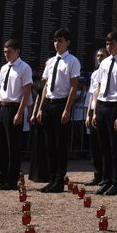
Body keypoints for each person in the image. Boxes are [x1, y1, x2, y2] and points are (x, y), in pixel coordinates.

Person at [33, 28, 83, 193]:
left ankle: (59, 179)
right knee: (49, 143)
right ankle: (51, 177)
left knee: (60, 143)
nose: (57, 44)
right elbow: (45, 85)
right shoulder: (51, 62)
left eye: (60, 40)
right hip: (49, 102)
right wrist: (40, 108)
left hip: (61, 103)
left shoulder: (72, 61)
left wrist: (67, 109)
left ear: (67, 42)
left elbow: (73, 86)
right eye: (55, 40)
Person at [86, 32, 117, 195]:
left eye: (111, 43)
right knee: (103, 146)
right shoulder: (104, 63)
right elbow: (98, 87)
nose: (108, 46)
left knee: (115, 147)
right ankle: (106, 179)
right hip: (103, 105)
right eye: (107, 43)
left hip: (115, 105)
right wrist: (96, 110)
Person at [0, 39, 32, 190]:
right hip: (2, 107)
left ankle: (11, 180)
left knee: (13, 146)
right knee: (1, 146)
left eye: (9, 51)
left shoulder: (24, 68)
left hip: (14, 108)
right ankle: (2, 178)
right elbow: (0, 91)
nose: (6, 54)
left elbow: (26, 92)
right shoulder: (3, 68)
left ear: (17, 51)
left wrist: (20, 112)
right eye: (5, 52)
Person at [84, 48, 109, 185]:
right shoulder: (94, 74)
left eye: (102, 55)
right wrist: (88, 113)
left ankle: (106, 174)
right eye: (98, 56)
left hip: (102, 109)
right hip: (94, 109)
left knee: (103, 145)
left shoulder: (107, 71)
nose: (99, 58)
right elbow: (91, 94)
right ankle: (97, 173)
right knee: (94, 146)